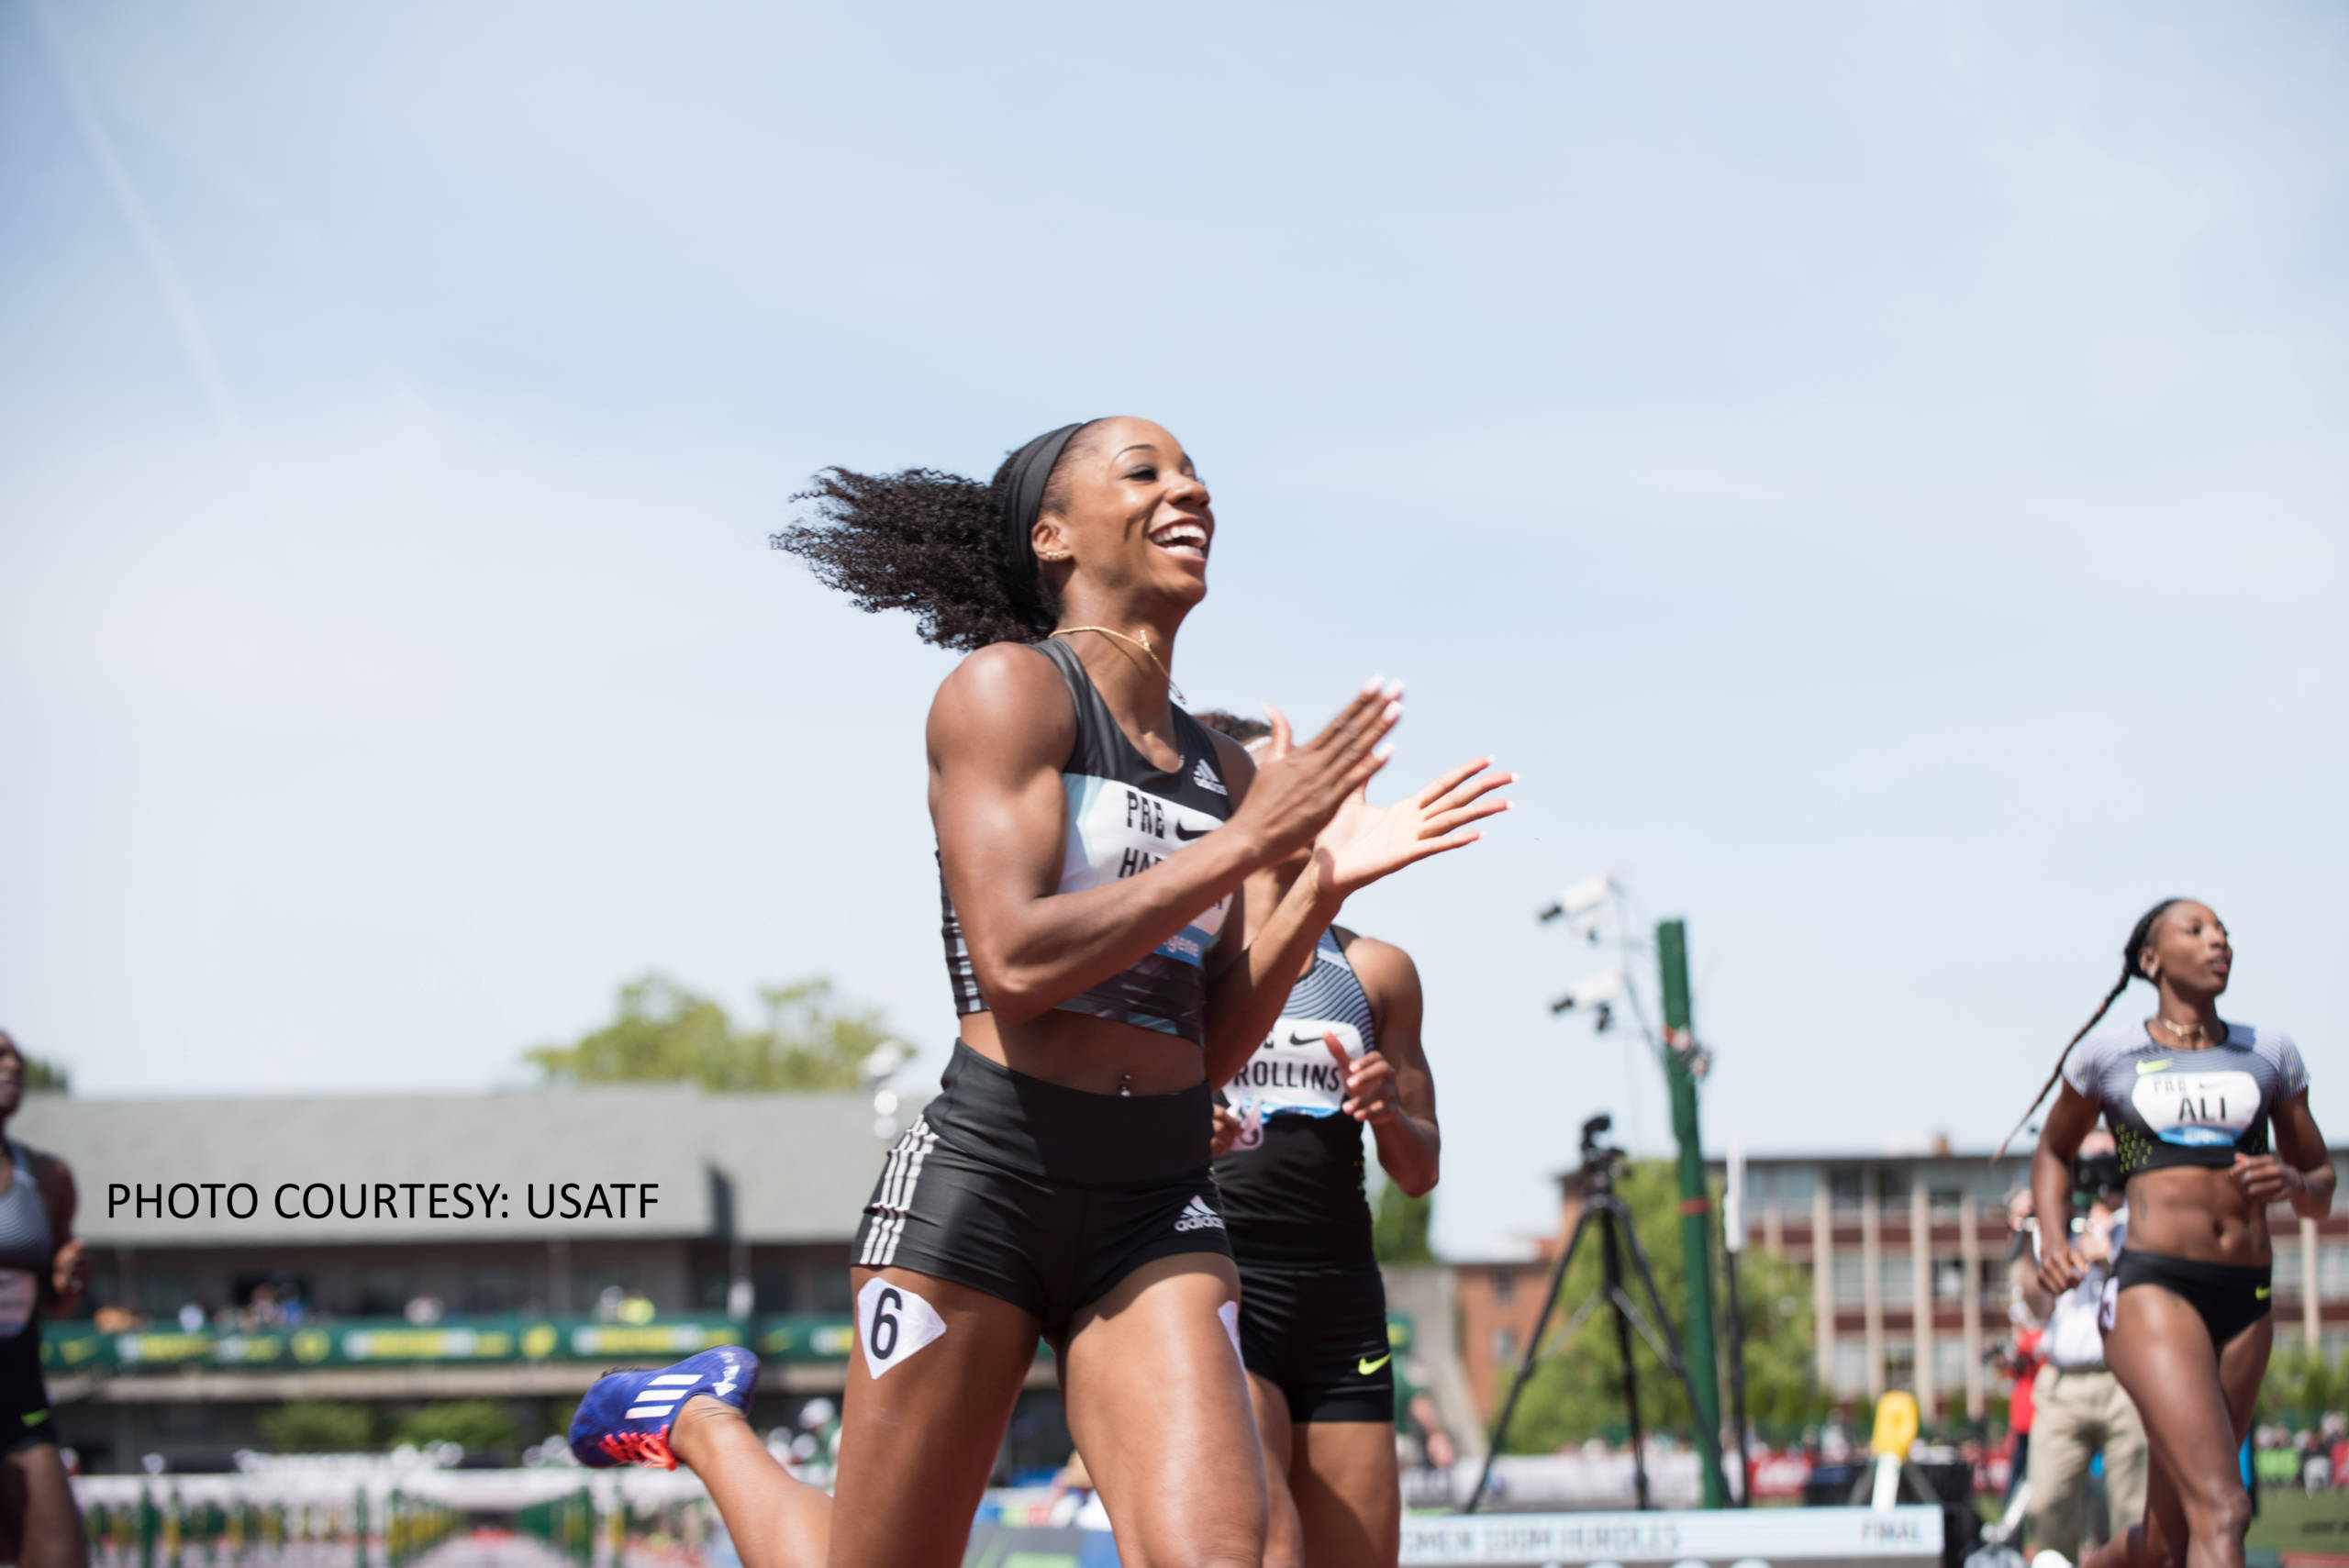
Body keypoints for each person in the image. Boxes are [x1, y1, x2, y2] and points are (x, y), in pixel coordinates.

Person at [562, 417, 1509, 1568]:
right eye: (1146, 470)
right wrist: (1242, 846)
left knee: (1231, 1554)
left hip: (1155, 1197)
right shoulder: (1009, 693)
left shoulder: (1226, 773)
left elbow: (1207, 1044)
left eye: (1195, 471)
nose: (1188, 488)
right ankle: (698, 1419)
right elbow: (1015, 960)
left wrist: (1313, 885)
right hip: (992, 1181)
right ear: (1052, 536)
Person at [2015, 899, 2332, 1568]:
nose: (2217, 940)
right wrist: (2055, 1240)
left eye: (2223, 932)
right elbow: (2053, 1154)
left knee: (2170, 1539)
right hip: (2154, 1289)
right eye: (2196, 929)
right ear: (2151, 960)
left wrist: (2296, 1183)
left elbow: (2321, 1185)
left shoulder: (2268, 1053)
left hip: (2246, 1299)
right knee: (2226, 1507)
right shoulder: (2110, 1055)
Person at [1197, 709, 1441, 1568]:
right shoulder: (1188, 956)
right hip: (1222, 1282)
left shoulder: (1377, 971)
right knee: (1265, 1544)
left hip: (1340, 1297)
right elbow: (1114, 1105)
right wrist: (1191, 1127)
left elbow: (1419, 1173)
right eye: (1283, 781)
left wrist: (1386, 1113)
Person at [2021, 1131, 2147, 1563]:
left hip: (2125, 1379)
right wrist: (2028, 1236)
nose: (2096, 1170)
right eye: (2087, 1159)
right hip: (2063, 1384)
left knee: (2135, 1510)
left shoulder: (2140, 1220)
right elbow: (2035, 1307)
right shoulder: (2056, 1223)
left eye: (2106, 1157)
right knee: (2048, 1508)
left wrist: (2110, 1254)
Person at [0, 1029, 92, 1568]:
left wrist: (67, 1280)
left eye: (15, 1056)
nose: (11, 1065)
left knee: (61, 1555)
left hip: (17, 1393)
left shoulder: (48, 1177)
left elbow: (57, 1305)